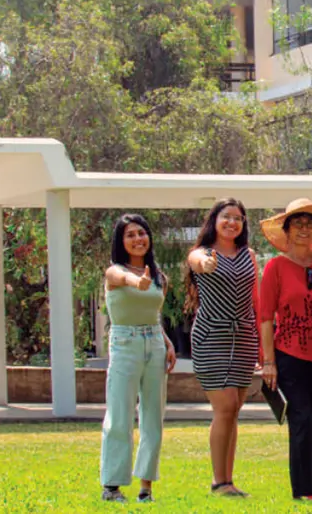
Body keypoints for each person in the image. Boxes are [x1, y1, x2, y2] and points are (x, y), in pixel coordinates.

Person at [258, 198, 312, 503]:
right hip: (290, 355)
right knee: (302, 420)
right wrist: (269, 362)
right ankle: (306, 489)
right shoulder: (276, 267)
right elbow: (265, 317)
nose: (304, 229)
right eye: (298, 224)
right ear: (287, 230)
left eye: (310, 224)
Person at [183, 198, 260, 497]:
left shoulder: (249, 255)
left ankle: (228, 480)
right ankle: (219, 481)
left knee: (234, 410)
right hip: (211, 336)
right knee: (225, 406)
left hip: (244, 336)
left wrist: (263, 346)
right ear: (214, 220)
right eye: (226, 216)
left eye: (238, 218)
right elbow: (197, 263)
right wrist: (207, 264)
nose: (232, 222)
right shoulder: (201, 253)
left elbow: (255, 299)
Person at [100, 214, 177, 504]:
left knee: (153, 417)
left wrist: (167, 341)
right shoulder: (115, 272)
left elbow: (153, 315)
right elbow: (123, 278)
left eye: (141, 233)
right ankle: (112, 486)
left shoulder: (159, 277)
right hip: (125, 343)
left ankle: (146, 488)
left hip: (154, 344)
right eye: (130, 235)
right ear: (121, 241)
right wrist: (137, 281)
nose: (137, 239)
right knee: (120, 414)